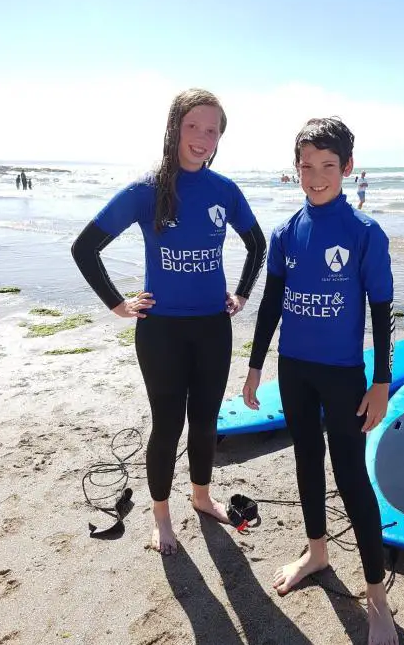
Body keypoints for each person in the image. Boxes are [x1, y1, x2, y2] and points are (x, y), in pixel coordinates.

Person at [72, 88, 266, 556]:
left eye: (212, 130)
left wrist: (240, 294)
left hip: (212, 329)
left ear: (221, 137)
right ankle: (161, 515)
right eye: (193, 126)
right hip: (161, 331)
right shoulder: (147, 190)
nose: (202, 137)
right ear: (175, 127)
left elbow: (257, 245)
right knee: (167, 425)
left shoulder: (225, 191)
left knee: (203, 423)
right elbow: (85, 247)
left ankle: (201, 497)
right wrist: (118, 303)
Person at [242, 117, 399, 645]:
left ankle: (376, 597)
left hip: (342, 375)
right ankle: (317, 554)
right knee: (306, 460)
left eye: (327, 166)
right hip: (295, 369)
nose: (316, 176)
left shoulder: (365, 234)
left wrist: (380, 381)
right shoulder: (286, 233)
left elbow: (382, 313)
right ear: (297, 169)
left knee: (352, 475)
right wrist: (256, 366)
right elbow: (270, 304)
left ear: (347, 168)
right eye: (306, 166)